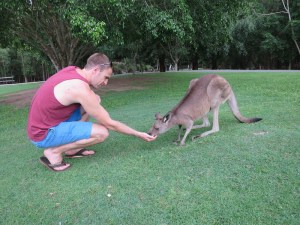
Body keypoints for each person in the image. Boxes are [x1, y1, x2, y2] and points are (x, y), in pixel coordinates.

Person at [27, 53, 156, 172]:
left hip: (46, 124)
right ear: (95, 70)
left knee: (94, 100)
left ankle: (73, 150)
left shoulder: (73, 70)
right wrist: (138, 134)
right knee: (102, 133)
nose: (106, 83)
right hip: (43, 134)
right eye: (106, 77)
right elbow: (109, 124)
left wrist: (93, 99)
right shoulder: (80, 88)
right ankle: (54, 152)